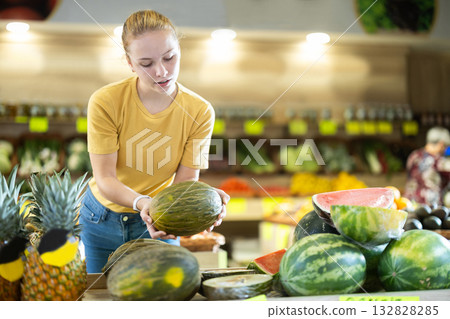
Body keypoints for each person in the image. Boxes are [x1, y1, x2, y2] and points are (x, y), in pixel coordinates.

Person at [80, 9, 229, 273]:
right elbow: (105, 179)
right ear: (129, 62)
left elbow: (185, 179)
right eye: (146, 64)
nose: (161, 71)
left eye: (170, 57)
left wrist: (203, 201)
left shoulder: (199, 110)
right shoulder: (106, 102)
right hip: (100, 219)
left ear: (179, 50)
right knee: (99, 299)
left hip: (160, 220)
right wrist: (144, 204)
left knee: (164, 298)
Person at [404, 126, 450, 206]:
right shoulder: (439, 161)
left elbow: (409, 175)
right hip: (430, 205)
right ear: (441, 144)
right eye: (445, 147)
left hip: (409, 202)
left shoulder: (414, 155)